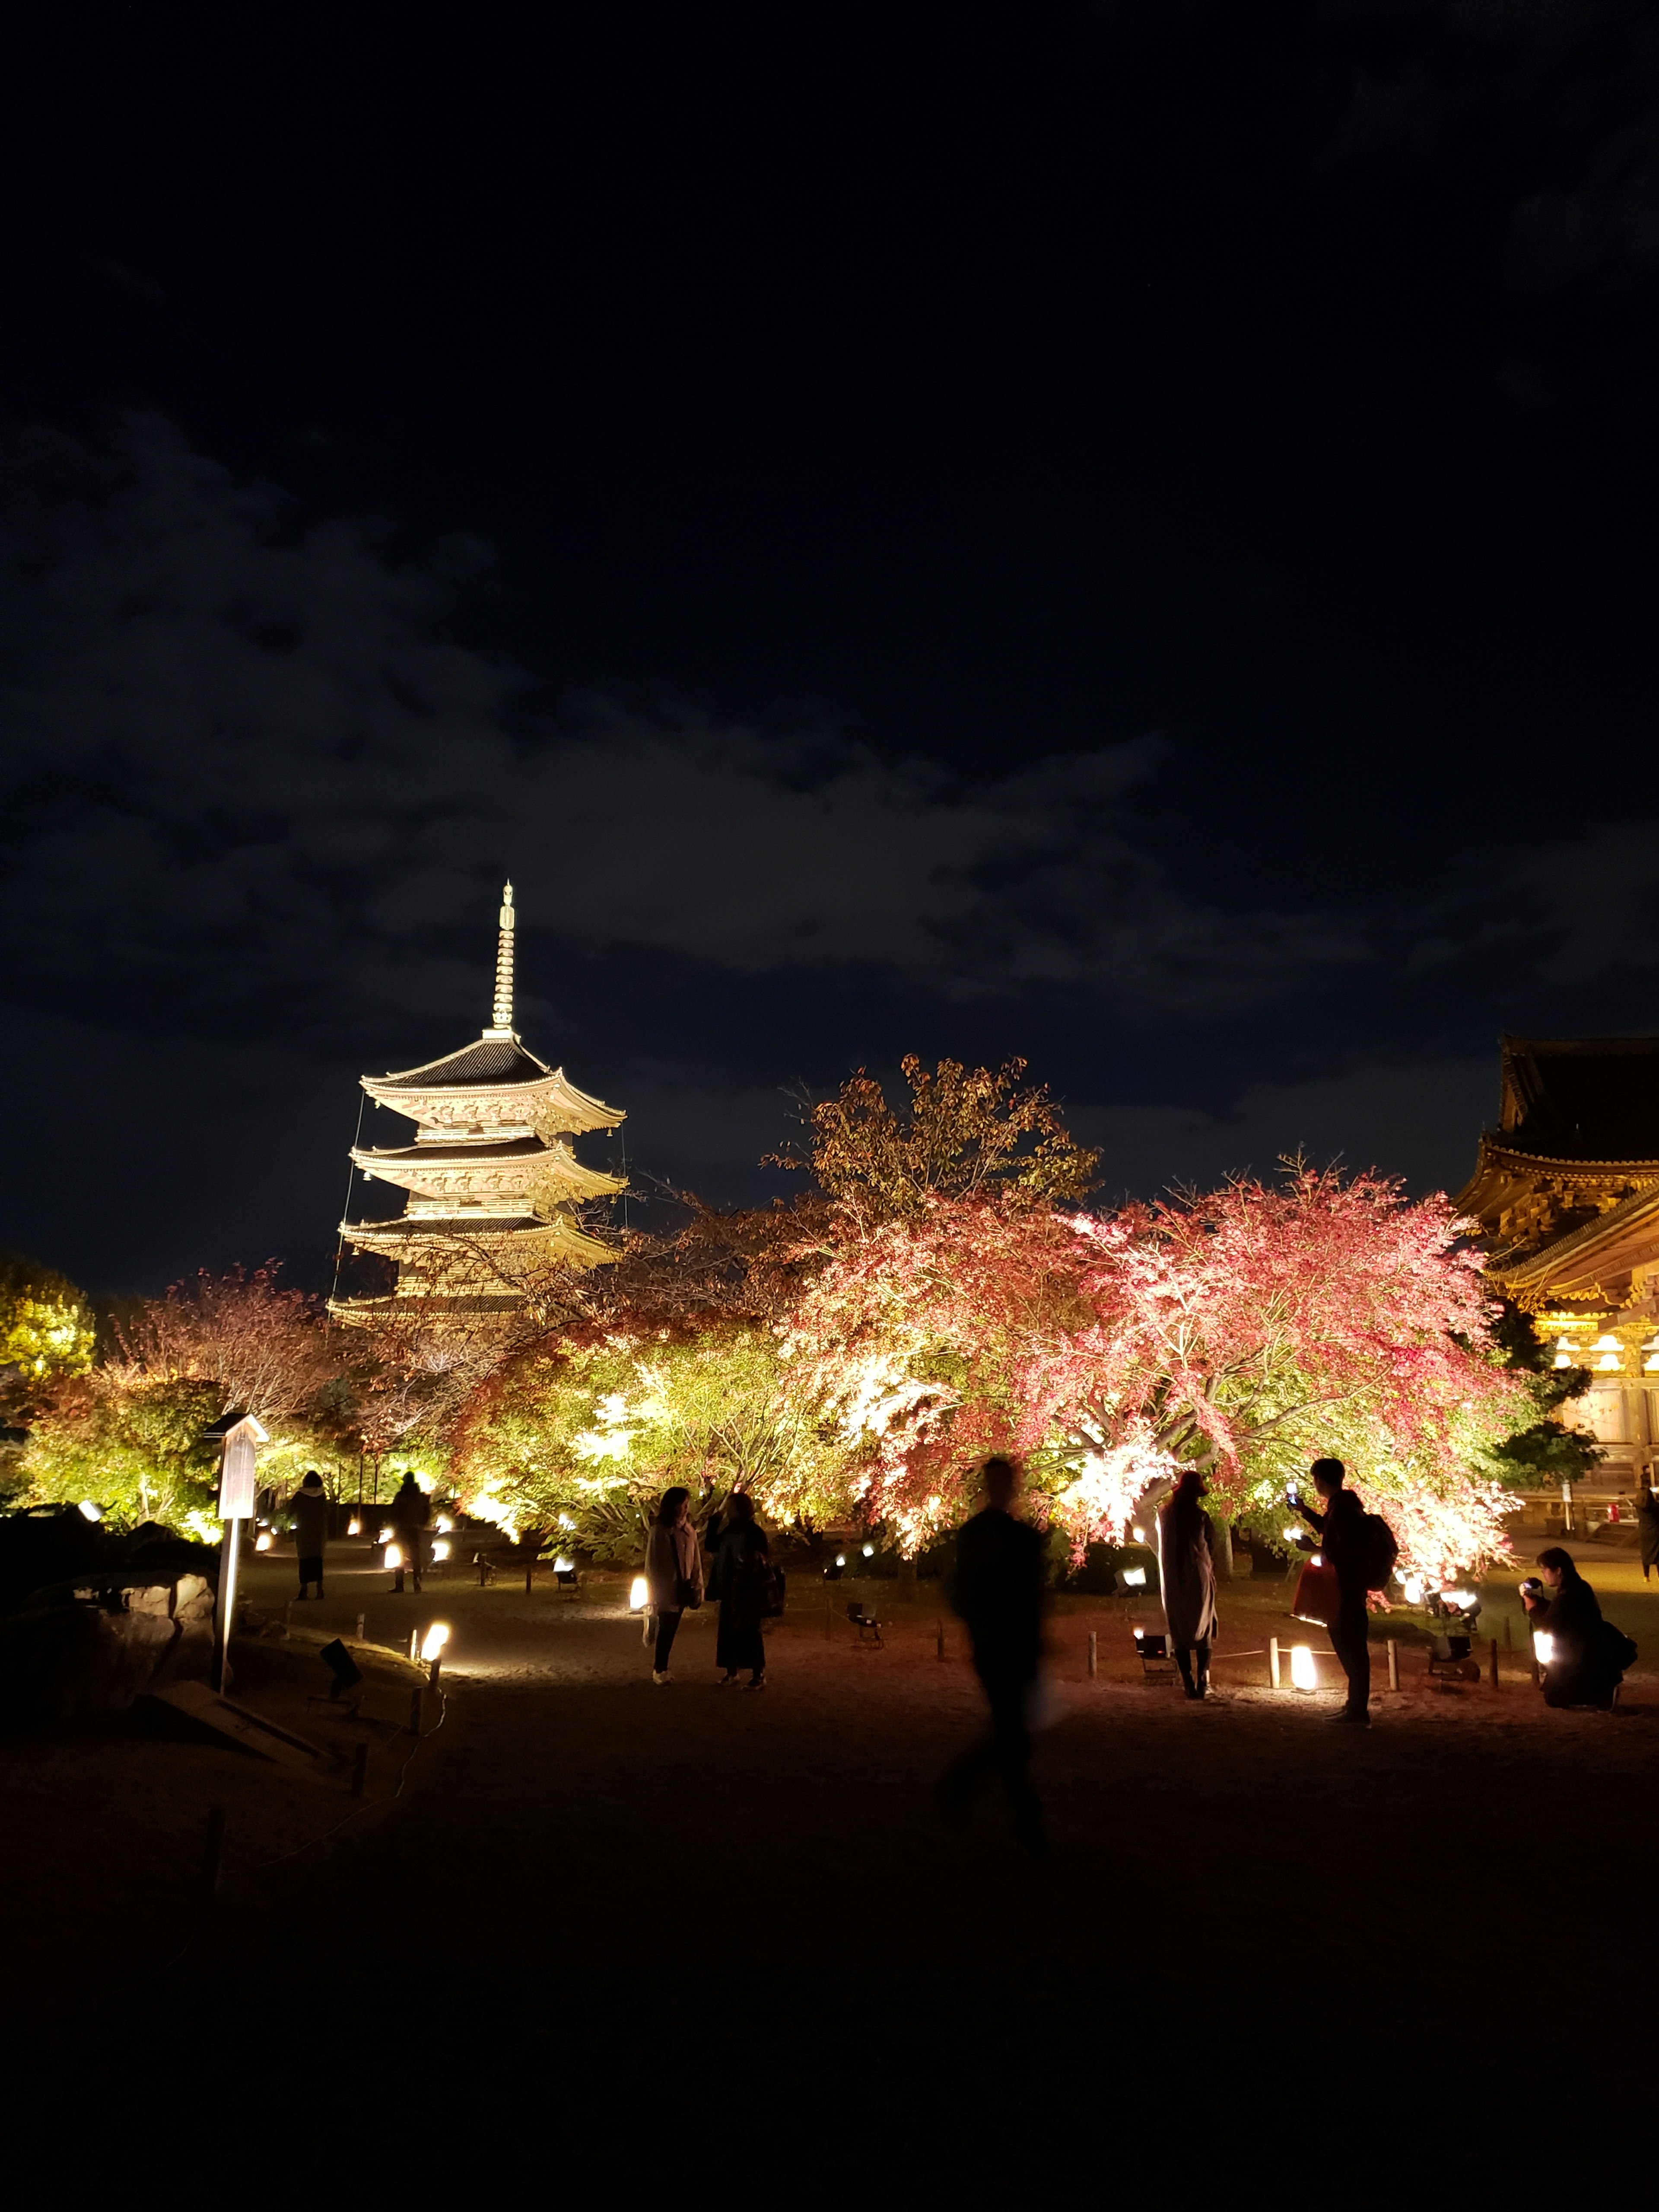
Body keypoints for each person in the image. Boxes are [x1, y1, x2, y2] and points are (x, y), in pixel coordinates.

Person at [940, 1456, 1047, 1852]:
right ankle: (1022, 1815)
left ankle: (970, 1789)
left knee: (1011, 1731)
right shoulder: (994, 1536)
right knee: (1012, 1733)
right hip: (999, 1644)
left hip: (1004, 1643)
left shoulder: (992, 1535)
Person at [1289, 1456, 1371, 1726]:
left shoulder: (1343, 1509)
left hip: (1346, 1589)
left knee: (1351, 1649)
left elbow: (1341, 1550)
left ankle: (1357, 1711)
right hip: (1350, 1587)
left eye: (1315, 1480)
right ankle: (1354, 1707)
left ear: (1320, 1480)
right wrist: (1304, 1510)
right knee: (1351, 1648)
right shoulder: (1345, 1506)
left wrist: (1312, 1549)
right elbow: (1330, 1530)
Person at [1521, 1547, 1626, 1709]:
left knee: (1555, 1697)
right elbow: (1557, 1612)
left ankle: (1602, 1696)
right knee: (1555, 1691)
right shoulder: (1578, 1587)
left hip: (1581, 1654)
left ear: (1558, 1571)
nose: (1543, 1574)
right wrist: (1537, 1601)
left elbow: (1547, 1624)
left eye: (1545, 1570)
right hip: (1586, 1650)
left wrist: (1531, 1607)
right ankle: (1602, 1693)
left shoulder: (1568, 1594)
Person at [1157, 1467, 1219, 1699]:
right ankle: (1202, 1679)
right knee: (1203, 1627)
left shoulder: (1165, 1515)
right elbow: (1211, 1545)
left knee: (1180, 1630)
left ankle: (1188, 1681)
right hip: (1199, 1577)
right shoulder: (1201, 1517)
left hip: (1172, 1578)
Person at [705, 1491, 770, 1688]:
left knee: (750, 1631)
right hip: (728, 1588)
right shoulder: (729, 1531)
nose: (729, 1511)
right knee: (727, 1632)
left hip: (747, 1590)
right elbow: (712, 1546)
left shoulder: (754, 1533)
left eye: (732, 1507)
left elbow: (761, 1561)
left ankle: (758, 1674)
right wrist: (715, 1520)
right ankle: (731, 1670)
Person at [644, 1484, 703, 1684]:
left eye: (687, 1504)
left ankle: (662, 1667)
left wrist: (698, 1585)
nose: (686, 1508)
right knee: (667, 1628)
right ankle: (659, 1669)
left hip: (682, 1589)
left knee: (671, 1628)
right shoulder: (660, 1531)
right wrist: (653, 1593)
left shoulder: (689, 1532)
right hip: (665, 1589)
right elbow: (652, 1564)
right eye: (682, 1504)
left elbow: (696, 1562)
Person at [288, 1469, 330, 1601]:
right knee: (318, 1560)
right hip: (319, 1531)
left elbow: (291, 1510)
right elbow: (327, 1511)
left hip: (304, 1531)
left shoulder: (300, 1495)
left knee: (304, 1560)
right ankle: (320, 1590)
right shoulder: (322, 1495)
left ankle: (304, 1590)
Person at [389, 1471, 429, 1594]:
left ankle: (400, 1584)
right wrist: (422, 1523)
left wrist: (396, 1523)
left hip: (402, 1528)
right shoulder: (421, 1497)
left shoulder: (401, 1496)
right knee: (416, 1556)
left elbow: (395, 1511)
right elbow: (427, 1512)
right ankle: (417, 1581)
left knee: (400, 1556)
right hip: (415, 1528)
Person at [1639, 1485, 1659, 1583]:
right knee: (1658, 1554)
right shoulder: (1655, 1507)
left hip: (1644, 1531)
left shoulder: (1638, 1506)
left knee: (1645, 1554)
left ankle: (1646, 1576)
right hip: (1655, 1531)